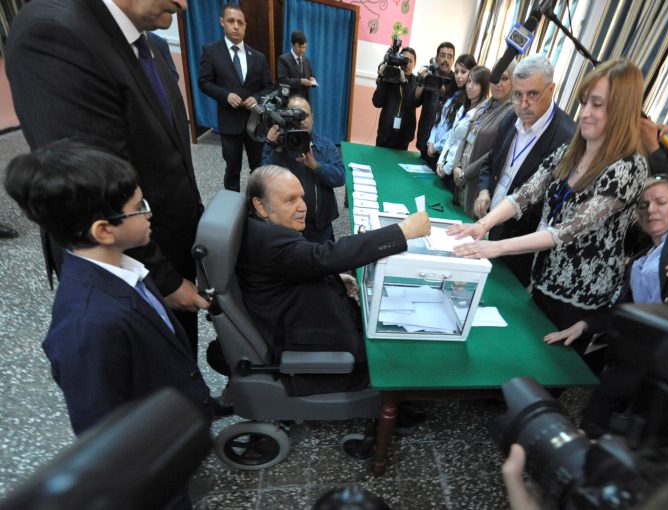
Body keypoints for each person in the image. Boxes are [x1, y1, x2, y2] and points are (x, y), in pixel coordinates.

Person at [4, 141, 212, 508]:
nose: (150, 214)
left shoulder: (127, 268)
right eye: (139, 208)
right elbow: (104, 436)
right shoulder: (88, 326)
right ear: (104, 230)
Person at [5, 0, 208, 353]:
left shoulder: (147, 42)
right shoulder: (55, 33)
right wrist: (165, 279)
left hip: (166, 248)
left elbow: (167, 156)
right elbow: (96, 190)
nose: (184, 5)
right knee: (144, 383)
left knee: (177, 359)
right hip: (126, 267)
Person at [449, 59, 649, 369]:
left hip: (581, 296)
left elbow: (566, 231)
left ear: (622, 109)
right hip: (544, 277)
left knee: (549, 373)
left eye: (598, 105)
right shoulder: (573, 149)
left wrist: (495, 246)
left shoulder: (629, 167)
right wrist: (484, 224)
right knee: (523, 360)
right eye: (584, 102)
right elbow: (526, 193)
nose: (585, 113)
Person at [545, 176, 668, 434]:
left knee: (614, 392)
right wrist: (584, 324)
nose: (651, 210)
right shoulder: (640, 258)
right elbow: (627, 310)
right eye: (644, 205)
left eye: (661, 202)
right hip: (643, 349)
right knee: (602, 386)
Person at [236, 165, 430, 396]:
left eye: (302, 198)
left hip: (300, 309)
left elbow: (301, 262)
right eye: (290, 200)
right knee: (395, 354)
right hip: (310, 340)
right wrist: (402, 231)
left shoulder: (262, 229)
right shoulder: (268, 241)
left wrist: (337, 279)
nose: (302, 207)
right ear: (260, 205)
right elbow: (324, 256)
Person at [474, 55, 576, 287]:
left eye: (532, 94)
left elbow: (552, 204)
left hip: (522, 242)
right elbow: (491, 161)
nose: (523, 103)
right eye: (518, 95)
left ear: (551, 89)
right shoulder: (511, 116)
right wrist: (483, 191)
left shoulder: (566, 137)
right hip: (490, 221)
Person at [199, 3, 274, 192]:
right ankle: (232, 210)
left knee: (258, 168)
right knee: (232, 168)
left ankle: (256, 205)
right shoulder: (211, 51)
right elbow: (204, 82)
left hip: (255, 123)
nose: (236, 26)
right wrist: (225, 95)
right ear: (222, 22)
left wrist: (256, 98)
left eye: (240, 22)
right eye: (231, 21)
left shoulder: (258, 57)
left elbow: (269, 87)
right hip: (229, 122)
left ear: (245, 26)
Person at [262, 95, 345, 243]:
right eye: (295, 116)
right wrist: (276, 151)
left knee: (323, 262)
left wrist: (316, 166)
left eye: (305, 115)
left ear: (312, 117)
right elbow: (261, 182)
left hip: (319, 226)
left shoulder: (326, 146)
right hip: (285, 225)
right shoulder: (276, 145)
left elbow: (340, 177)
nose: (302, 120)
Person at [452, 61, 515, 219]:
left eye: (505, 78)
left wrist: (465, 173)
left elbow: (494, 153)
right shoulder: (485, 104)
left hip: (477, 184)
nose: (498, 83)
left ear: (515, 81)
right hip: (460, 178)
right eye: (495, 78)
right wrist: (456, 165)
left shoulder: (512, 113)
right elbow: (466, 136)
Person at [427, 53, 477, 184]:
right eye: (456, 72)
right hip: (437, 154)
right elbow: (439, 120)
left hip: (447, 158)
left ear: (473, 73)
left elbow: (455, 133)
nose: (458, 76)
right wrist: (431, 141)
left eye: (463, 72)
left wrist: (437, 146)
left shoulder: (470, 101)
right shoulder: (453, 93)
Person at [436, 65, 490, 183]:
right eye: (469, 81)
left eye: (475, 83)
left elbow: (463, 144)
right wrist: (440, 161)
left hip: (457, 170)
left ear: (484, 86)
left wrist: (448, 167)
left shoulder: (482, 114)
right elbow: (452, 136)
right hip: (445, 164)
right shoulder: (463, 108)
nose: (470, 87)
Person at [407, 42, 457, 167]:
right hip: (424, 140)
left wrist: (443, 90)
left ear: (453, 60)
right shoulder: (430, 76)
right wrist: (423, 81)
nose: (445, 60)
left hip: (441, 146)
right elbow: (412, 102)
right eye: (442, 55)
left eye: (449, 56)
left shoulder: (456, 82)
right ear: (436, 57)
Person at [372, 46, 418, 150]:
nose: (407, 64)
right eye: (404, 60)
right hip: (385, 134)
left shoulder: (416, 82)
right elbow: (377, 102)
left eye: (410, 61)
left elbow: (412, 102)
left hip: (404, 135)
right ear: (398, 61)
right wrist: (382, 79)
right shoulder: (390, 76)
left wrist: (404, 82)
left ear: (415, 64)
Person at [277, 30, 316, 101]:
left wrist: (313, 79)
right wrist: (301, 81)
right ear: (292, 44)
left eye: (304, 47)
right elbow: (282, 81)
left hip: (305, 102)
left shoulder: (306, 60)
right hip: (291, 102)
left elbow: (311, 75)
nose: (302, 50)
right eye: (299, 47)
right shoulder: (283, 59)